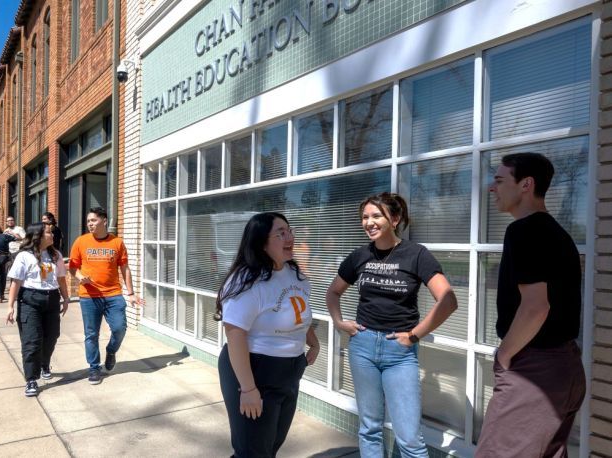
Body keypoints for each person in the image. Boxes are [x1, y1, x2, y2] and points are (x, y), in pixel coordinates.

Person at [326, 192, 457, 458]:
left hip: (399, 352)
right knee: (369, 428)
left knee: (409, 438)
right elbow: (333, 292)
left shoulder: (416, 254)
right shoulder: (360, 255)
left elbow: (448, 300)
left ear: (395, 219)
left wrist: (414, 335)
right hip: (362, 347)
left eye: (376, 216)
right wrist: (339, 322)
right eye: (364, 217)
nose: (369, 222)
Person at [475, 153, 585, 457]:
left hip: (535, 371)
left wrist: (505, 355)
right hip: (566, 369)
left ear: (526, 184)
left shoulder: (524, 230)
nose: (491, 188)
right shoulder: (559, 234)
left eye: (499, 180)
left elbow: (537, 307)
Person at [216, 212, 320, 458]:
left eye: (289, 230)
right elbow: (235, 334)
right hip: (254, 368)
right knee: (252, 450)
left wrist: (313, 344)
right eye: (280, 233)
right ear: (261, 242)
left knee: (270, 444)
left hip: (290, 369)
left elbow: (300, 317)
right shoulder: (246, 280)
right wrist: (248, 389)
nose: (289, 237)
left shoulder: (295, 275)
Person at [69, 207, 141, 385]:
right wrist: (80, 278)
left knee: (119, 328)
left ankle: (111, 350)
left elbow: (124, 268)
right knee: (91, 334)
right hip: (89, 296)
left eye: (93, 220)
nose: (90, 224)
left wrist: (130, 293)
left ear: (104, 221)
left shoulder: (117, 243)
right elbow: (72, 267)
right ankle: (94, 368)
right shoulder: (81, 241)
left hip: (113, 294)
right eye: (88, 221)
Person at [5, 223, 69, 397]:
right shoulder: (24, 256)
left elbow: (62, 278)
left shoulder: (56, 255)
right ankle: (31, 379)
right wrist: (10, 306)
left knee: (52, 336)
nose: (52, 235)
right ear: (38, 236)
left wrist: (66, 298)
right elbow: (16, 282)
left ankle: (44, 363)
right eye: (49, 233)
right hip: (30, 301)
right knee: (32, 341)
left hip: (52, 300)